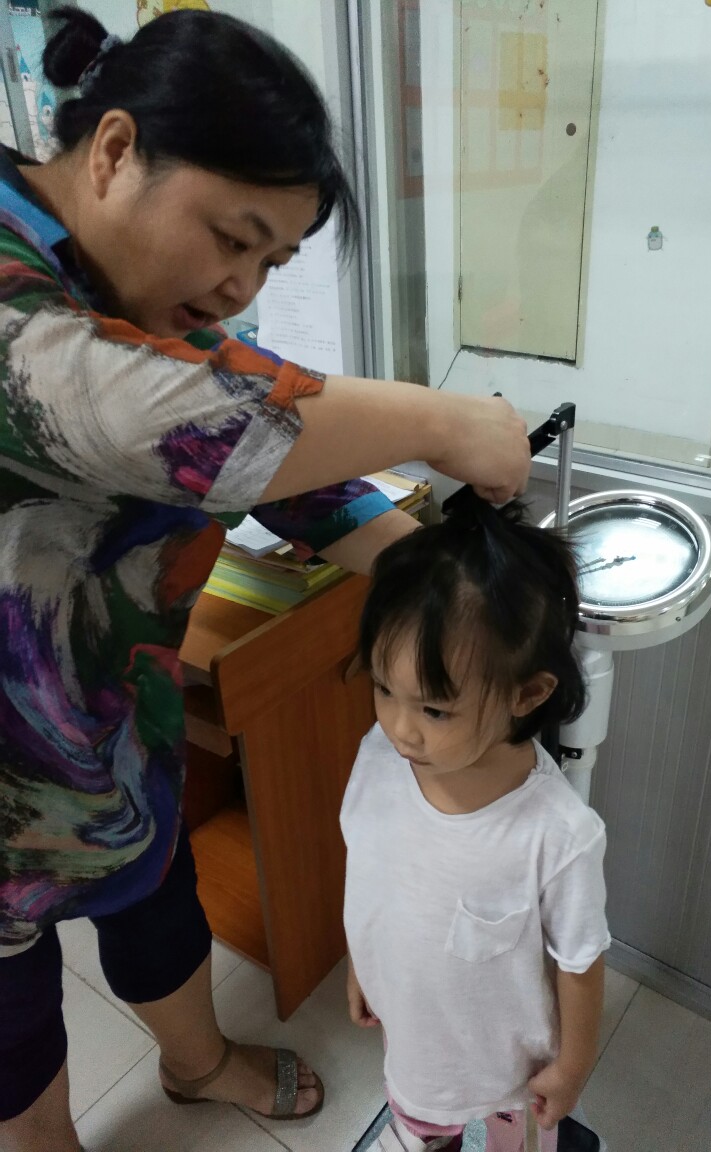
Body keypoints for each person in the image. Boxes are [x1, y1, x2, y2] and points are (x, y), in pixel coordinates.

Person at [0, 8, 531, 1151]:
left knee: (158, 900)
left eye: (271, 263)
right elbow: (157, 417)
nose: (240, 286)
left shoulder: (143, 304)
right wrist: (443, 422)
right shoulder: (20, 298)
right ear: (114, 150)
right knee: (10, 1014)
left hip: (112, 733)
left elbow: (269, 441)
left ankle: (198, 1065)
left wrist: (448, 583)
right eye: (232, 238)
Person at [342, 495, 611, 1152]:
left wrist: (572, 1067)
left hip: (511, 1079)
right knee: (420, 1121)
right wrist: (362, 965)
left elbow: (580, 963)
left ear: (528, 693)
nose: (399, 728)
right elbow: (370, 876)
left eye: (434, 710)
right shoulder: (378, 758)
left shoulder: (557, 833)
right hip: (415, 1046)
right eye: (383, 689)